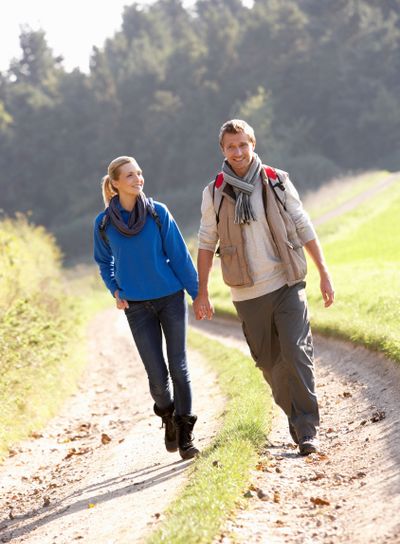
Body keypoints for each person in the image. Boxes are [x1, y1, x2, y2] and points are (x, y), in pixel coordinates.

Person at [193, 119, 334, 455]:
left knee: (296, 352)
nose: (238, 152)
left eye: (243, 144)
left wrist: (323, 271)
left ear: (253, 144)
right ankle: (295, 414)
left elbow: (302, 224)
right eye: (231, 146)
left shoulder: (277, 181)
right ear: (223, 151)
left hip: (287, 282)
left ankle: (306, 429)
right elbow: (205, 241)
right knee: (269, 364)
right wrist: (202, 292)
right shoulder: (213, 192)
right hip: (247, 293)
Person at [93, 155, 200, 460]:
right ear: (115, 184)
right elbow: (104, 262)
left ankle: (186, 435)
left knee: (179, 367)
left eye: (139, 173)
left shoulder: (157, 213)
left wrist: (197, 294)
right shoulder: (102, 224)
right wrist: (114, 288)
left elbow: (179, 256)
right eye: (129, 175)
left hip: (170, 298)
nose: (137, 179)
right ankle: (167, 417)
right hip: (137, 307)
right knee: (157, 377)